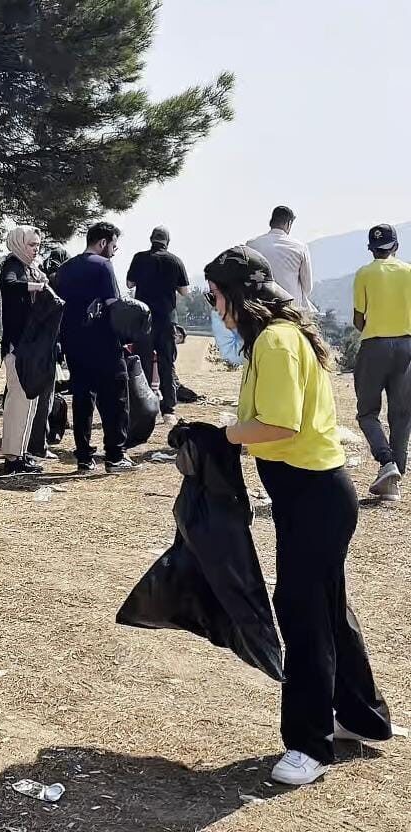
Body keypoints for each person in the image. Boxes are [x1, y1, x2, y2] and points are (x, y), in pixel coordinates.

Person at [208, 245, 391, 786]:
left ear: (238, 296)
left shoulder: (276, 341)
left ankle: (309, 744)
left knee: (303, 612)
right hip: (304, 494)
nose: (214, 307)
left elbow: (281, 426)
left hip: (314, 495)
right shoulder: (269, 340)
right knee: (327, 606)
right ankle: (362, 716)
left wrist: (224, 435)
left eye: (216, 296)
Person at [57, 222, 134, 473]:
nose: (114, 251)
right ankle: (115, 455)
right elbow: (114, 306)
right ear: (103, 243)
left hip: (74, 343)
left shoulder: (65, 268)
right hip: (104, 343)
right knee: (115, 399)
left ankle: (84, 457)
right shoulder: (104, 266)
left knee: (82, 400)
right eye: (113, 245)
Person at [351, 223, 411, 501]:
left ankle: (386, 462)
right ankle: (395, 480)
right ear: (396, 247)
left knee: (367, 412)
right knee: (401, 415)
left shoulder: (364, 273)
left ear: (371, 249)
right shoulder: (408, 271)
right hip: (406, 346)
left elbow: (358, 320)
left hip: (374, 346)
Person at [0, 225, 50, 474]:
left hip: (30, 346)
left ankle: (21, 452)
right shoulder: (12, 265)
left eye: (37, 245)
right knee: (19, 400)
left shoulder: (31, 268)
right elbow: (11, 285)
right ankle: (12, 458)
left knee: (29, 401)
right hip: (17, 346)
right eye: (31, 245)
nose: (35, 249)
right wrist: (37, 286)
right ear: (18, 244)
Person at [126, 226, 190, 423]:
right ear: (167, 241)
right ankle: (168, 410)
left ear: (151, 239)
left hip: (143, 320)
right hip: (166, 320)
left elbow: (129, 284)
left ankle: (142, 408)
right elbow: (185, 291)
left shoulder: (139, 258)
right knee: (166, 364)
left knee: (142, 365)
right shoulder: (175, 260)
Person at [28, 243, 70, 460]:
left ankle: (32, 438)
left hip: (32, 344)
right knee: (47, 394)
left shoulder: (39, 274)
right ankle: (39, 441)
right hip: (50, 343)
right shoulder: (60, 278)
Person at [247, 206, 313, 308]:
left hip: (260, 307)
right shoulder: (300, 247)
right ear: (288, 224)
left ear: (271, 222)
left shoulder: (251, 245)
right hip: (290, 308)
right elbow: (307, 287)